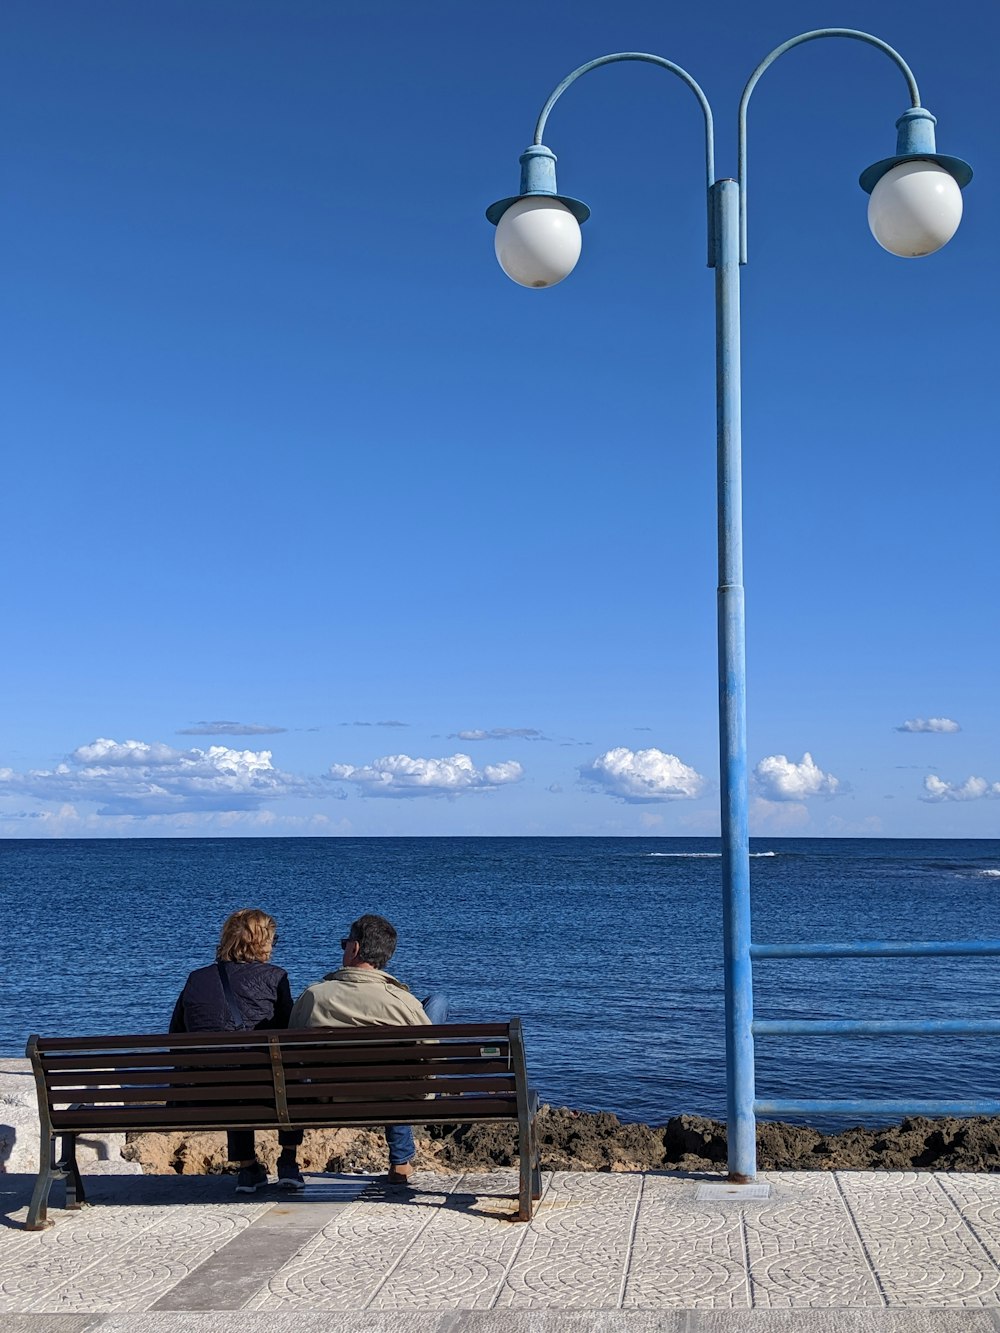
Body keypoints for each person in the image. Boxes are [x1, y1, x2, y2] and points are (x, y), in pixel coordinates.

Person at [289, 913, 447, 1184]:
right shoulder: (404, 1003)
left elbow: (290, 1051)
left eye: (345, 943)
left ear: (355, 948)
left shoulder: (314, 996)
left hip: (330, 1096)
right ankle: (400, 1162)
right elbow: (429, 1065)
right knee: (437, 1004)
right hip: (391, 1096)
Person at [169, 907, 305, 1194]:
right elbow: (288, 1035)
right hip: (264, 1087)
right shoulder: (275, 977)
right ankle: (289, 1163)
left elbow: (176, 1035)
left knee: (233, 1070)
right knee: (285, 1071)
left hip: (206, 1092)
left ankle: (246, 1168)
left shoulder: (196, 978)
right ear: (263, 942)